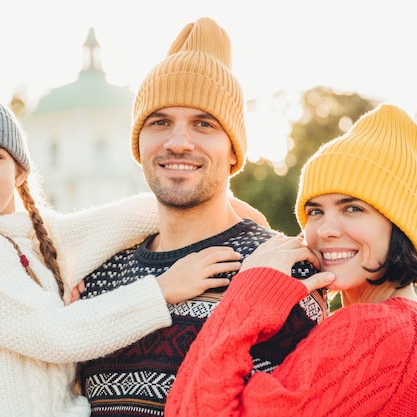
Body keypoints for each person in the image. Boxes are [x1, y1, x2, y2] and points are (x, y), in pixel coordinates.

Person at [0, 55, 250, 417]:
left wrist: (236, 214)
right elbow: (55, 334)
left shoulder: (34, 239)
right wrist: (163, 289)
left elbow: (118, 220)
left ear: (19, 170)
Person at [77, 17, 329, 416]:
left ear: (233, 151)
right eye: (160, 122)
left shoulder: (281, 269)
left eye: (204, 124)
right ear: (138, 144)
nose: (178, 142)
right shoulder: (98, 275)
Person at [165, 103, 417, 416]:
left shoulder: (377, 329)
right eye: (315, 211)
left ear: (398, 224)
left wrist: (248, 295)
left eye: (352, 208)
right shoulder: (414, 323)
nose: (324, 230)